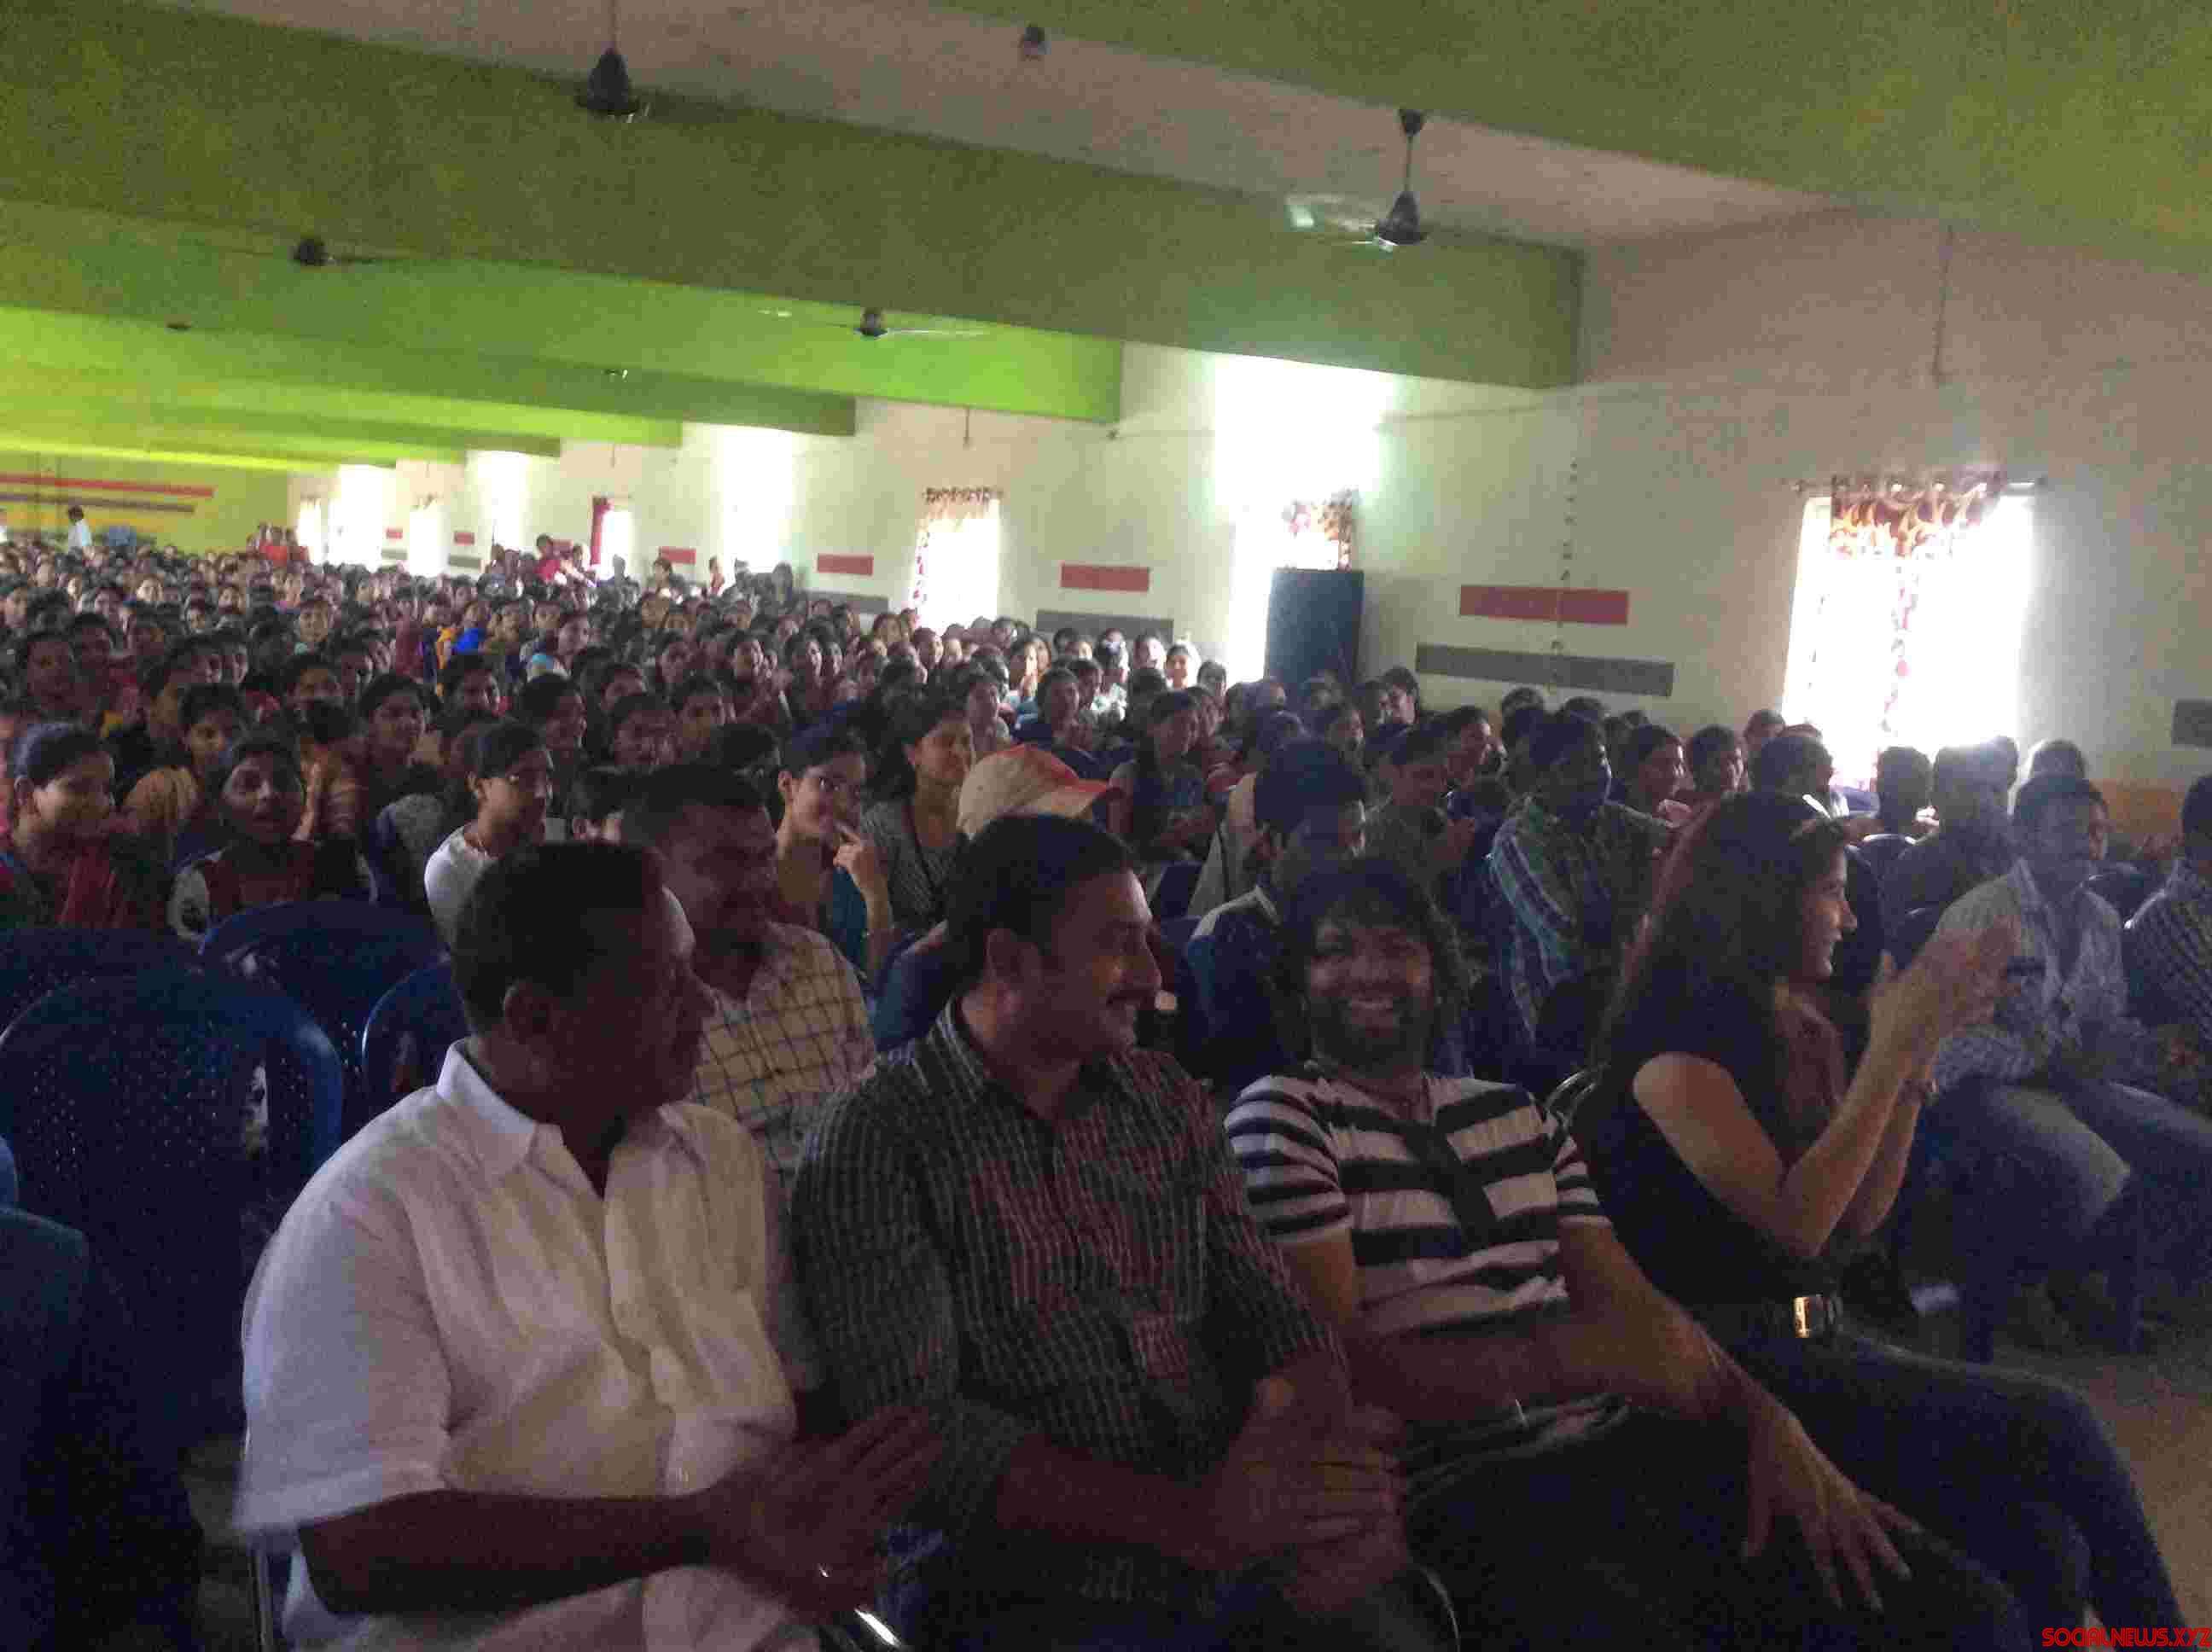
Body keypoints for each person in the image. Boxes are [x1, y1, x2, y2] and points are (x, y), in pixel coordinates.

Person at [1223, 859, 2031, 1649]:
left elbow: (1637, 1310)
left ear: (1438, 974)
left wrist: (1764, 1418)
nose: (1369, 971)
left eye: (1398, 948)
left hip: (1627, 1436)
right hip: (1471, 1486)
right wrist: (1563, 1357)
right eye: (1334, 951)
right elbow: (1337, 1361)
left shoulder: (1518, 1116)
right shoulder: (1285, 1116)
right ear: (1297, 981)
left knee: (1971, 1605)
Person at [234, 841, 942, 1648]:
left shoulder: (718, 1160)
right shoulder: (371, 1213)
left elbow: (799, 1404)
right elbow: (361, 1554)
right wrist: (702, 1528)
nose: (704, 1005)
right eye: (667, 986)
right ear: (535, 1017)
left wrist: (825, 1504)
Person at [791, 816, 1440, 1652]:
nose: (1152, 974)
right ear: (1010, 960)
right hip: (1023, 1590)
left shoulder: (1162, 1098)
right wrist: (1196, 1520)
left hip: (1233, 1529)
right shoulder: (880, 1139)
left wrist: (1301, 1465)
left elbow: (1273, 1312)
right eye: (1119, 945)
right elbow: (925, 1439)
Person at [1580, 791, 2180, 1625]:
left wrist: (1915, 1054)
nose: (1851, 916)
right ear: (1762, 899)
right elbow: (1797, 1225)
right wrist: (1891, 1049)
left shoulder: (1793, 1022)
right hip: (1729, 1365)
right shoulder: (1673, 1050)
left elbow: (1858, 1219)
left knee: (2046, 1545)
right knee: (2060, 1422)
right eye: (1831, 891)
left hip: (1812, 1334)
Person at [1930, 772, 2212, 1349]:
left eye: (2099, 832)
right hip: (1983, 1086)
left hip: (2068, 1078)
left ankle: (2104, 1283)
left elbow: (2103, 1020)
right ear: (2023, 835)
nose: (2089, 844)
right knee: (2099, 1166)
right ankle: (2029, 1288)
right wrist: (2045, 1060)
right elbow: (1947, 1043)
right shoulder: (1983, 915)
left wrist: (2146, 1047)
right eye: (2069, 830)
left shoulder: (2102, 918)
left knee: (2193, 1141)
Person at [622, 766, 873, 1190]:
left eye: (764, 859)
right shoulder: (633, 1011)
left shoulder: (817, 960)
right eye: (730, 863)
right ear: (654, 874)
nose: (761, 881)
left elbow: (870, 1116)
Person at [866, 745, 1120, 1052]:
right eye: (1070, 828)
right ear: (998, 848)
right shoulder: (929, 971)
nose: (1092, 840)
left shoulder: (1108, 935)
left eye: (1088, 820)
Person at [1179, 742, 1372, 1097]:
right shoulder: (1228, 939)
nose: (1350, 858)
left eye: (1358, 836)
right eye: (1326, 842)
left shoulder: (1374, 927)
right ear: (1270, 842)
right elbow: (1250, 1086)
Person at [1488, 712, 1669, 1051]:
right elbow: (1570, 937)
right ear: (1541, 779)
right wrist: (1646, 891)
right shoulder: (1519, 839)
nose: (1593, 776)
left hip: (1614, 997)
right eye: (1573, 766)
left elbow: (1680, 842)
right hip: (1554, 1014)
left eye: (1599, 760)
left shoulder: (1610, 816)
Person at [168, 733, 368, 941]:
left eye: (283, 782)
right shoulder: (199, 884)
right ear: (219, 804)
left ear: (304, 797)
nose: (269, 794)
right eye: (248, 784)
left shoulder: (341, 867)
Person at [0, 723, 165, 931]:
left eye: (107, 790)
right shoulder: (5, 867)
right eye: (79, 789)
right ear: (26, 792)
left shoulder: (126, 867)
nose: (103, 804)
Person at [771, 722, 892, 979]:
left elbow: (876, 980)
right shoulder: (756, 876)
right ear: (787, 785)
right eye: (828, 784)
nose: (845, 804)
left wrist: (876, 896)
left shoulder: (853, 875)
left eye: (856, 792)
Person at [856, 691, 973, 945]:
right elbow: (869, 921)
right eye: (945, 742)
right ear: (913, 755)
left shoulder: (981, 813)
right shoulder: (884, 825)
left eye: (966, 741)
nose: (960, 752)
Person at [423, 720, 554, 944]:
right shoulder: (450, 870)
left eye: (547, 778)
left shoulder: (558, 836)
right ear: (479, 786)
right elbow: (476, 959)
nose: (543, 793)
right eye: (523, 778)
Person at [1879, 742, 2017, 934]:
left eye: (1996, 790)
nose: (1985, 801)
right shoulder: (1914, 870)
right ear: (1936, 796)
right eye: (1970, 789)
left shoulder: (2024, 860)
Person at [122, 680, 245, 866]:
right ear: (185, 738)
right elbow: (128, 859)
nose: (222, 744)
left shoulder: (256, 791)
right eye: (207, 734)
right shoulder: (158, 789)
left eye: (233, 732)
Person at [1105, 688, 1213, 871]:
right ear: (1153, 727)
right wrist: (1165, 841)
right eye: (1179, 723)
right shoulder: (1127, 775)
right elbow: (1116, 851)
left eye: (1193, 727)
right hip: (1138, 874)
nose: (1187, 732)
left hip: (1183, 869)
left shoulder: (1193, 777)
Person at [1615, 724, 1693, 824]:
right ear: (1634, 765)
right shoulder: (1612, 816)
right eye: (1662, 764)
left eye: (1678, 765)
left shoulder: (1683, 815)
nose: (1674, 774)